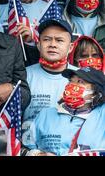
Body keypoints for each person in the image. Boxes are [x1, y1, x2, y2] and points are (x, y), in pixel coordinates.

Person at [22, 19, 77, 148]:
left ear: (70, 47)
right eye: (47, 39)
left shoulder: (83, 78)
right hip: (29, 150)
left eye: (59, 40)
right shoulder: (23, 75)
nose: (52, 44)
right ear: (38, 45)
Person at [25, 67, 105, 156]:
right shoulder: (45, 115)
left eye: (80, 82)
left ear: (96, 91)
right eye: (71, 81)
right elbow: (26, 148)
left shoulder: (102, 117)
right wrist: (36, 154)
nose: (72, 85)